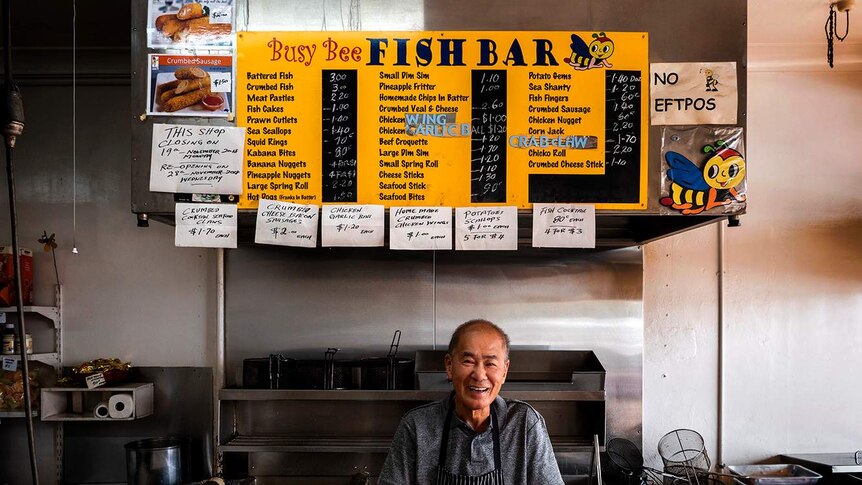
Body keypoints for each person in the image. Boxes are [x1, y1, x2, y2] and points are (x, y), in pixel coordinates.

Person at [378, 319, 565, 485]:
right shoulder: (417, 426)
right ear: (449, 366)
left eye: (490, 363)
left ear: (504, 371)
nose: (479, 375)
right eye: (468, 361)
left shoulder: (525, 424)